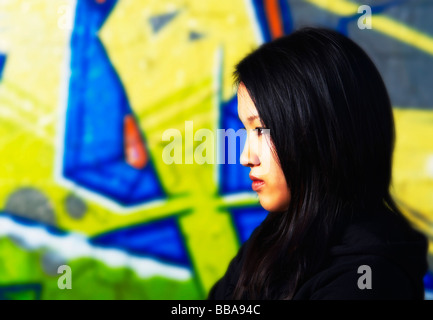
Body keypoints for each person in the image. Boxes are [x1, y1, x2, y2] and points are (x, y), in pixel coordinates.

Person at [208, 27, 428, 300]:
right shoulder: (272, 239)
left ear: (320, 133)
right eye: (247, 131)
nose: (245, 157)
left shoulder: (365, 278)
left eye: (262, 130)